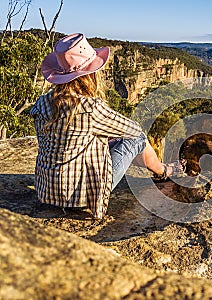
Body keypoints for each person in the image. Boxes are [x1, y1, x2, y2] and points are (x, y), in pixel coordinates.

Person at [30, 33, 185, 219]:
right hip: (81, 197)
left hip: (47, 192)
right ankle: (164, 172)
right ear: (89, 75)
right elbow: (134, 131)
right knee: (137, 139)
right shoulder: (90, 107)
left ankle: (162, 169)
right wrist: (110, 134)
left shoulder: (41, 103)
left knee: (116, 139)